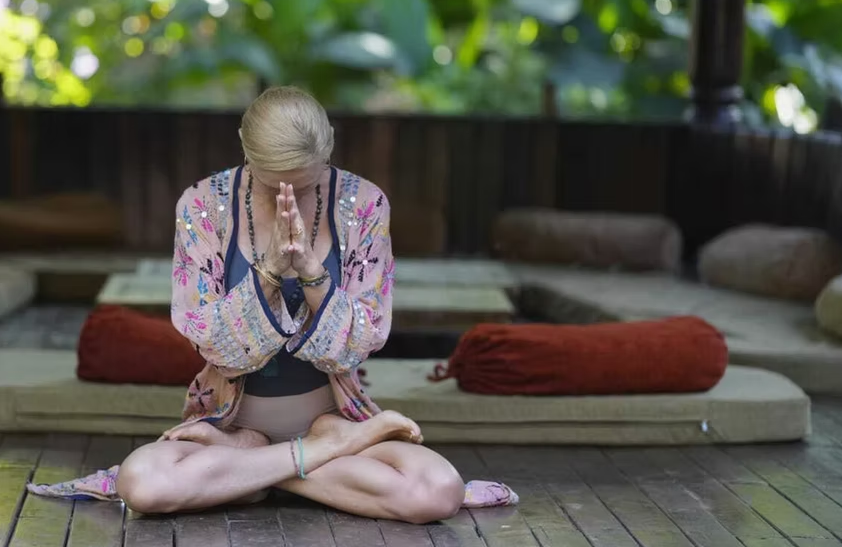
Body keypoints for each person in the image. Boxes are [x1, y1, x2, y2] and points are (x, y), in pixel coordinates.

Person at [28, 86, 517, 522]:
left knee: (437, 491)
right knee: (143, 484)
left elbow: (361, 341)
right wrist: (268, 272)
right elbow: (212, 344)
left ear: (329, 147)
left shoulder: (365, 204)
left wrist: (310, 272)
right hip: (232, 426)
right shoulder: (203, 205)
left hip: (331, 419)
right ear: (244, 146)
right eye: (271, 182)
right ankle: (304, 455)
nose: (289, 196)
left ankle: (255, 472)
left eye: (304, 185)